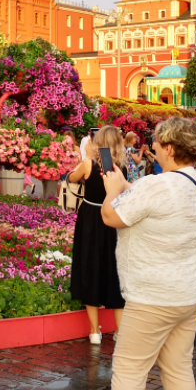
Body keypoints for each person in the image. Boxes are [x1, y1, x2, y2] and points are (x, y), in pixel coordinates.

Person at [76, 117, 196, 390]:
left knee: (129, 370)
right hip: (191, 292)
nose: (152, 148)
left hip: (155, 294)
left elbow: (111, 216)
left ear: (168, 148)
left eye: (156, 143)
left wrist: (115, 190)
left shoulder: (156, 185)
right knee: (179, 367)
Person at [67, 126, 126, 345]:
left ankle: (94, 331)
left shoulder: (88, 164)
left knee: (89, 267)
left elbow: (72, 178)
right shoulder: (121, 168)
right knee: (114, 269)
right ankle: (120, 330)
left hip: (91, 218)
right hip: (113, 219)